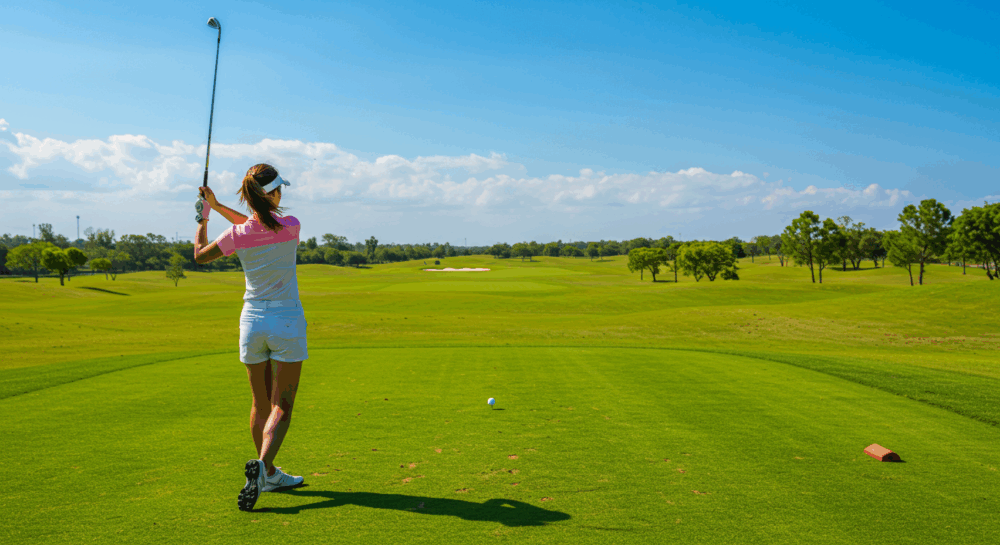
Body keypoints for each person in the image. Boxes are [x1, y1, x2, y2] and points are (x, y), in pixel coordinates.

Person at [194, 163, 308, 511]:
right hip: (286, 320)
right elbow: (261, 223)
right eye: (279, 189)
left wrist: (205, 216)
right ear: (273, 193)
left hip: (252, 323)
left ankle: (268, 473)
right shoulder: (291, 225)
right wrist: (216, 207)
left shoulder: (237, 234)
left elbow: (200, 255)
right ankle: (262, 466)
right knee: (282, 404)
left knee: (260, 403)